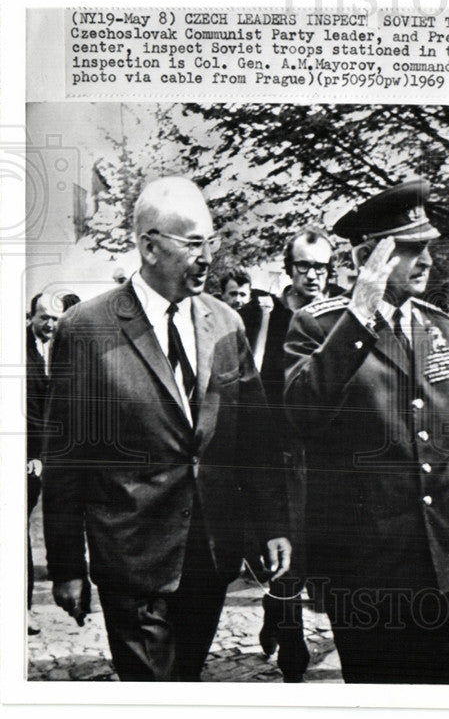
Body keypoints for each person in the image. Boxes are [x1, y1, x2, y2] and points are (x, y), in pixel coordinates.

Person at [42, 177, 291, 681]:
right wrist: (67, 565)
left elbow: (255, 439)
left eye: (210, 242)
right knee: (151, 691)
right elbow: (67, 459)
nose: (207, 257)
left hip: (210, 553)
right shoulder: (87, 330)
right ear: (149, 246)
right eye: (193, 243)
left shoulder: (226, 322)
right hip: (131, 556)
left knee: (187, 680)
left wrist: (272, 525)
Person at [283, 178, 449, 685]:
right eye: (408, 250)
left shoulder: (440, 326)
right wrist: (358, 315)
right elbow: (300, 412)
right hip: (365, 568)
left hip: (441, 557)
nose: (425, 261)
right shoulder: (318, 326)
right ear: (367, 259)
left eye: (427, 248)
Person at [246, 227, 337, 682]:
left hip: (329, 457)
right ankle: (292, 648)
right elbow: (253, 392)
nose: (314, 276)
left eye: (322, 267)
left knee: (326, 554)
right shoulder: (267, 318)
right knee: (286, 556)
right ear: (290, 269)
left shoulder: (340, 315)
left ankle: (274, 609)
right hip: (281, 455)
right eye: (305, 266)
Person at [25, 292, 63, 635]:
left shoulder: (63, 349)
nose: (49, 324)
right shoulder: (18, 351)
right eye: (43, 317)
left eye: (55, 318)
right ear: (31, 317)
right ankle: (20, 609)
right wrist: (30, 455)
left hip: (54, 456)